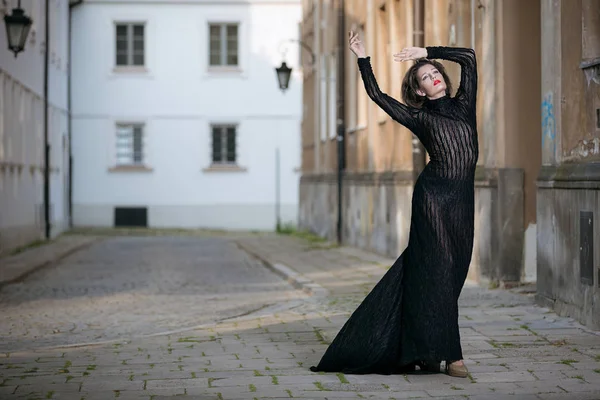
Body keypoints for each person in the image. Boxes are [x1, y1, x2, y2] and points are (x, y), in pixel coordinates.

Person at [309, 31, 478, 378]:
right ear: (419, 91)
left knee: (451, 273)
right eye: (425, 78)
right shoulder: (421, 118)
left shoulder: (464, 104)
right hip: (432, 198)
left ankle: (426, 349)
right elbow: (376, 95)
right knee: (441, 272)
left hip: (462, 200)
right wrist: (362, 56)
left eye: (435, 73)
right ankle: (453, 357)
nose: (433, 78)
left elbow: (470, 57)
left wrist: (428, 51)